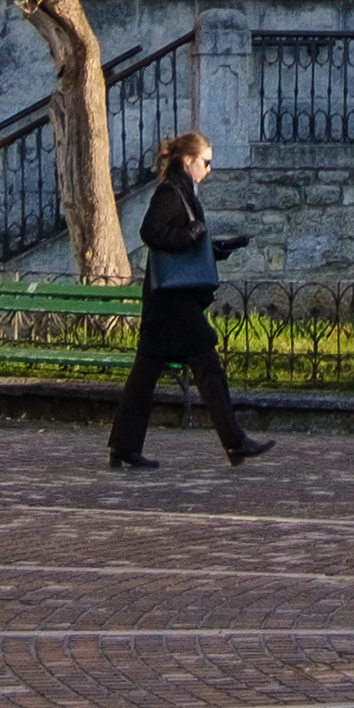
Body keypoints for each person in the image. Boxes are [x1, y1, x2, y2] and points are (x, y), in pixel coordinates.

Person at [106, 130, 273, 475]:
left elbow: (183, 240)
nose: (209, 168)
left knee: (146, 373)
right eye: (206, 162)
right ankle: (235, 440)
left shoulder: (183, 191)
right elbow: (151, 232)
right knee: (207, 362)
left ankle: (124, 446)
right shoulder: (171, 192)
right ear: (188, 161)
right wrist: (190, 234)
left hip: (165, 301)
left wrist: (217, 247)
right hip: (173, 301)